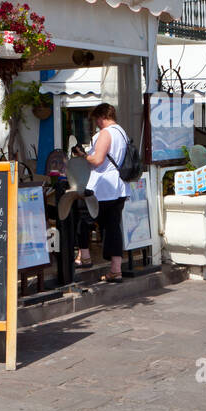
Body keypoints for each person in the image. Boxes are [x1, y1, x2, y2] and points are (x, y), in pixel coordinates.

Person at [76, 102, 130, 281]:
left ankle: (84, 256)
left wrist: (83, 155)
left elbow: (97, 160)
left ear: (101, 117)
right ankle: (116, 269)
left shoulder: (106, 133)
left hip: (103, 187)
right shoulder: (122, 132)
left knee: (83, 218)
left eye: (97, 120)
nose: (97, 124)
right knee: (113, 227)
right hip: (119, 186)